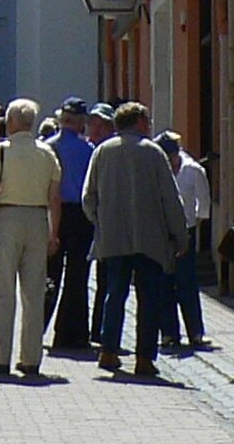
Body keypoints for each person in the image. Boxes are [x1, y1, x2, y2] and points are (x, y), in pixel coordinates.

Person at [83, 101, 189, 377]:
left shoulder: (103, 151)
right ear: (139, 122)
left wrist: (101, 222)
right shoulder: (153, 153)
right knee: (148, 298)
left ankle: (108, 350)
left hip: (114, 238)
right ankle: (144, 358)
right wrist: (180, 235)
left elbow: (88, 197)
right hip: (150, 239)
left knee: (114, 294)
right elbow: (170, 199)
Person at [0, 98, 61, 378]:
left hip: (7, 218)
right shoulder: (47, 153)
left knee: (3, 289)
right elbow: (54, 197)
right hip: (38, 219)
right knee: (34, 291)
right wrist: (54, 231)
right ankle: (31, 358)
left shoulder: (1, 151)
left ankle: (1, 355)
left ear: (11, 122)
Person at [43, 96, 95, 349]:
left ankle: (37, 327)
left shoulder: (47, 147)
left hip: (53, 213)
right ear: (81, 122)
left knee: (49, 274)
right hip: (80, 215)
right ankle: (72, 334)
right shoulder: (88, 150)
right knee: (77, 276)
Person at [157, 130, 211, 348]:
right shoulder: (158, 170)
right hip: (162, 232)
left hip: (186, 231)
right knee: (164, 283)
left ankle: (195, 332)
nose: (169, 161)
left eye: (170, 156)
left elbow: (203, 203)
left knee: (187, 282)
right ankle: (169, 333)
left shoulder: (193, 170)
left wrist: (194, 227)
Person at [86, 102, 117, 336]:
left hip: (110, 225)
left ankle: (102, 329)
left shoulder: (112, 152)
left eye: (100, 125)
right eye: (92, 124)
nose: (94, 130)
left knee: (109, 280)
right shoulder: (88, 149)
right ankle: (97, 328)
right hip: (93, 221)